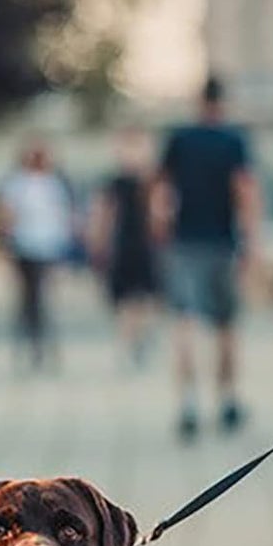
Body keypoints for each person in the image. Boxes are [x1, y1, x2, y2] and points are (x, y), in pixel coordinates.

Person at [154, 74, 261, 439]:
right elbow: (244, 191)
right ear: (223, 101)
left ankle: (187, 404)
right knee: (226, 325)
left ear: (197, 101)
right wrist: (251, 241)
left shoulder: (179, 139)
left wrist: (161, 229)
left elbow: (162, 192)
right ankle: (227, 400)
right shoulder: (234, 140)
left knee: (184, 322)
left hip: (185, 241)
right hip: (223, 242)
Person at [0, 140, 77, 370]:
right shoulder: (16, 183)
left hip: (49, 246)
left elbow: (66, 214)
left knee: (44, 298)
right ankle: (29, 344)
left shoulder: (56, 182)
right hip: (24, 245)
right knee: (27, 299)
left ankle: (44, 346)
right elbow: (5, 214)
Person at [87, 123, 161, 366]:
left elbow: (160, 214)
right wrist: (98, 244)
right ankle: (129, 342)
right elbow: (102, 215)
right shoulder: (115, 184)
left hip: (144, 245)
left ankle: (138, 339)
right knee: (126, 301)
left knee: (145, 299)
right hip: (123, 246)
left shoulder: (151, 182)